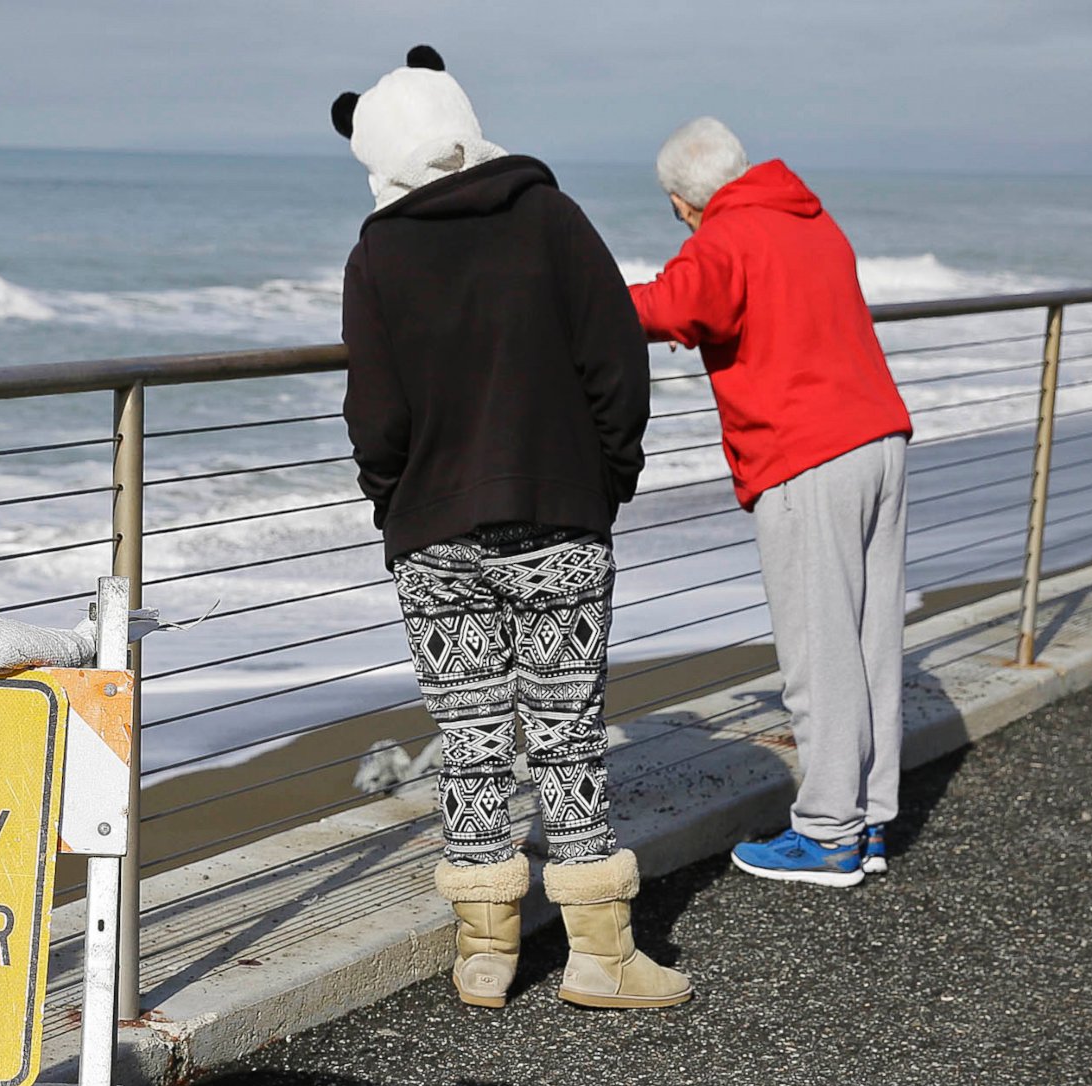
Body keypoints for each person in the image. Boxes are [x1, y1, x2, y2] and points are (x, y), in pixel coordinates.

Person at [333, 46, 689, 1010]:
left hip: (434, 534)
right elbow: (618, 365)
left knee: (470, 736)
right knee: (568, 735)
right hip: (560, 515)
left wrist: (396, 503)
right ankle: (600, 957)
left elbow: (377, 415)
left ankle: (486, 953)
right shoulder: (551, 219)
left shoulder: (379, 253)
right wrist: (607, 478)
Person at [629, 118, 914, 887]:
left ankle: (826, 836)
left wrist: (577, 302)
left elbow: (669, 307)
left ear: (685, 201)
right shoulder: (809, 220)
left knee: (820, 653)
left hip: (808, 457)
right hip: (878, 438)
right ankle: (870, 819)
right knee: (869, 642)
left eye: (673, 209)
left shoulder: (727, 234)